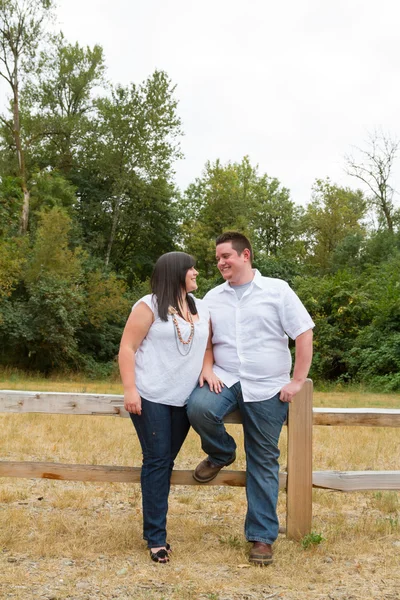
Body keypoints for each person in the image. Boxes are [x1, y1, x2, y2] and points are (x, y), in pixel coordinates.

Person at [187, 232, 314, 566]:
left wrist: (297, 381)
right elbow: (208, 341)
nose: (220, 262)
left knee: (263, 459)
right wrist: (207, 368)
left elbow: (303, 333)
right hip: (226, 378)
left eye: (226, 256)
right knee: (198, 408)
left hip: (268, 385)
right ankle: (221, 452)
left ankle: (261, 538)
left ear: (245, 255)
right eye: (217, 258)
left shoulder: (277, 290)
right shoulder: (213, 297)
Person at [118, 252, 217, 564]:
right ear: (176, 272)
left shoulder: (199, 306)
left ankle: (154, 530)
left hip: (184, 398)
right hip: (151, 396)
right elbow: (127, 347)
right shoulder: (148, 305)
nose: (196, 272)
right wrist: (130, 389)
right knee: (158, 461)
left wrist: (207, 368)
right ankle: (156, 539)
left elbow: (208, 345)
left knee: (164, 463)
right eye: (191, 268)